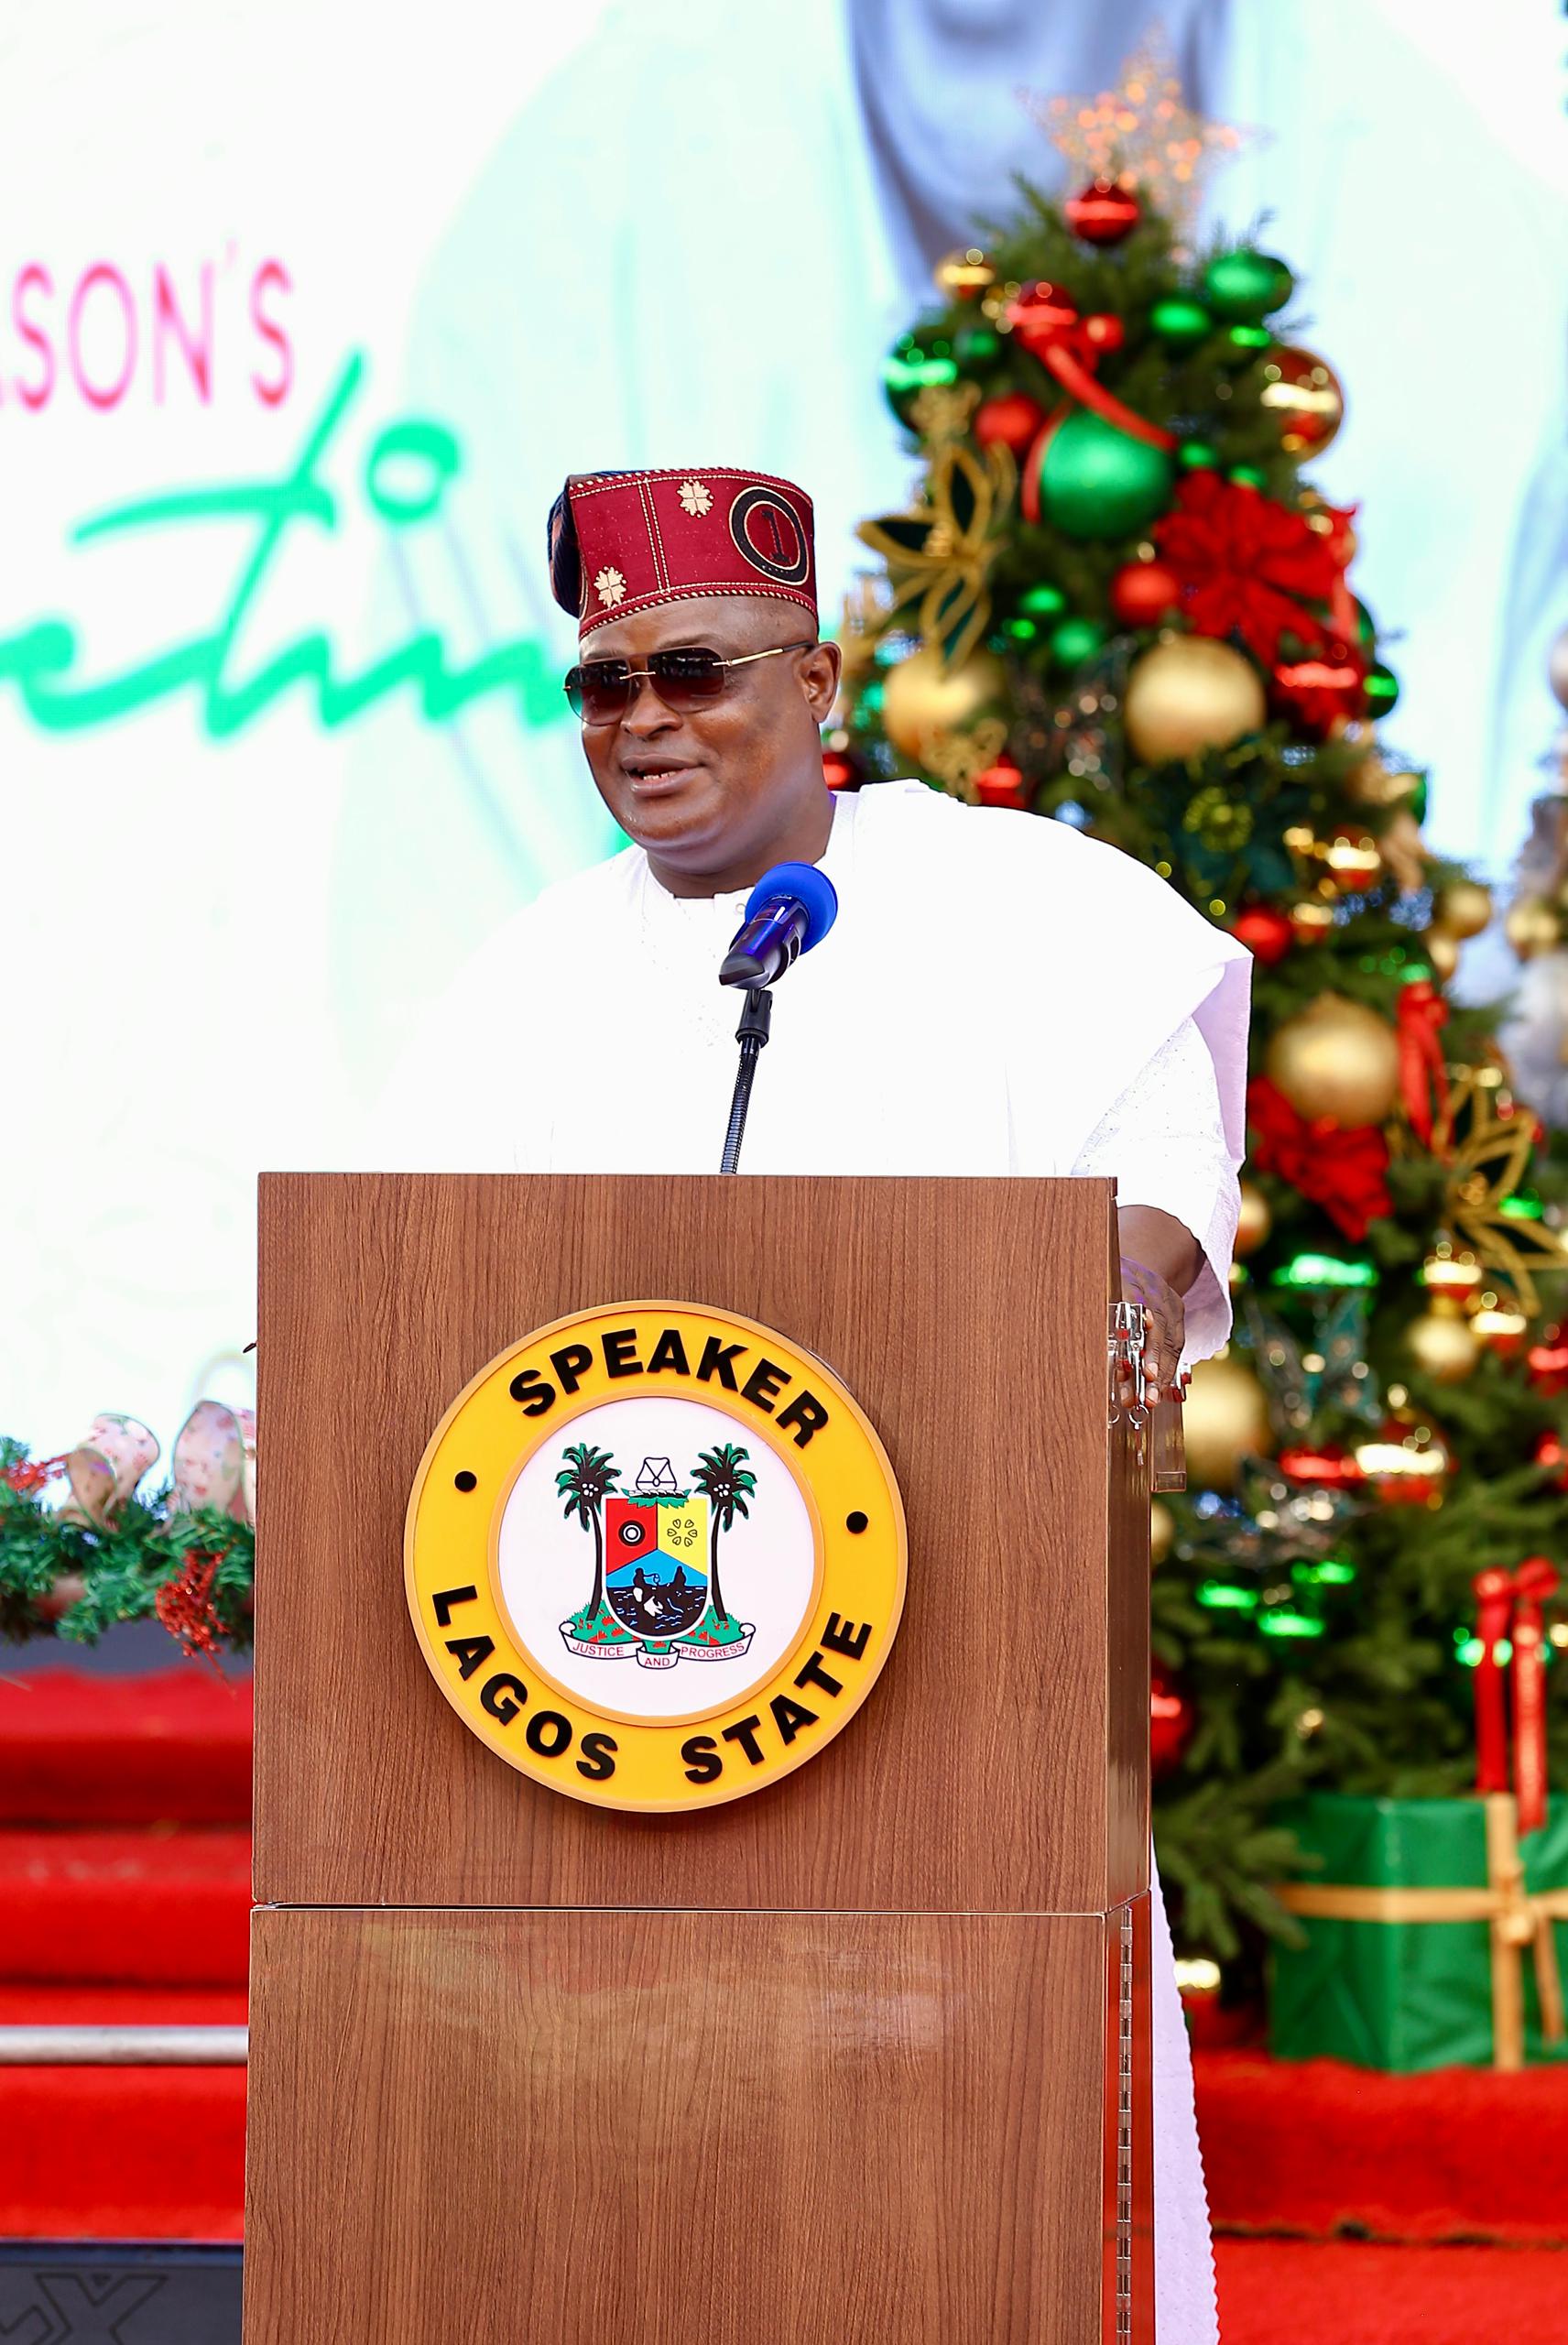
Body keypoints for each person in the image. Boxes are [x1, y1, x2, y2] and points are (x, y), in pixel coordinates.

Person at [377, 464, 1249, 2344]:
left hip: (962, 1683)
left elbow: (1163, 1178)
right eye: (602, 686)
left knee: (962, 2219)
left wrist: (1114, 1291)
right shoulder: (525, 977)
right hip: (615, 1731)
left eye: (694, 671)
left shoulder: (1028, 907)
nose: (644, 722)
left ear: (822, 681)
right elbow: (405, 1300)